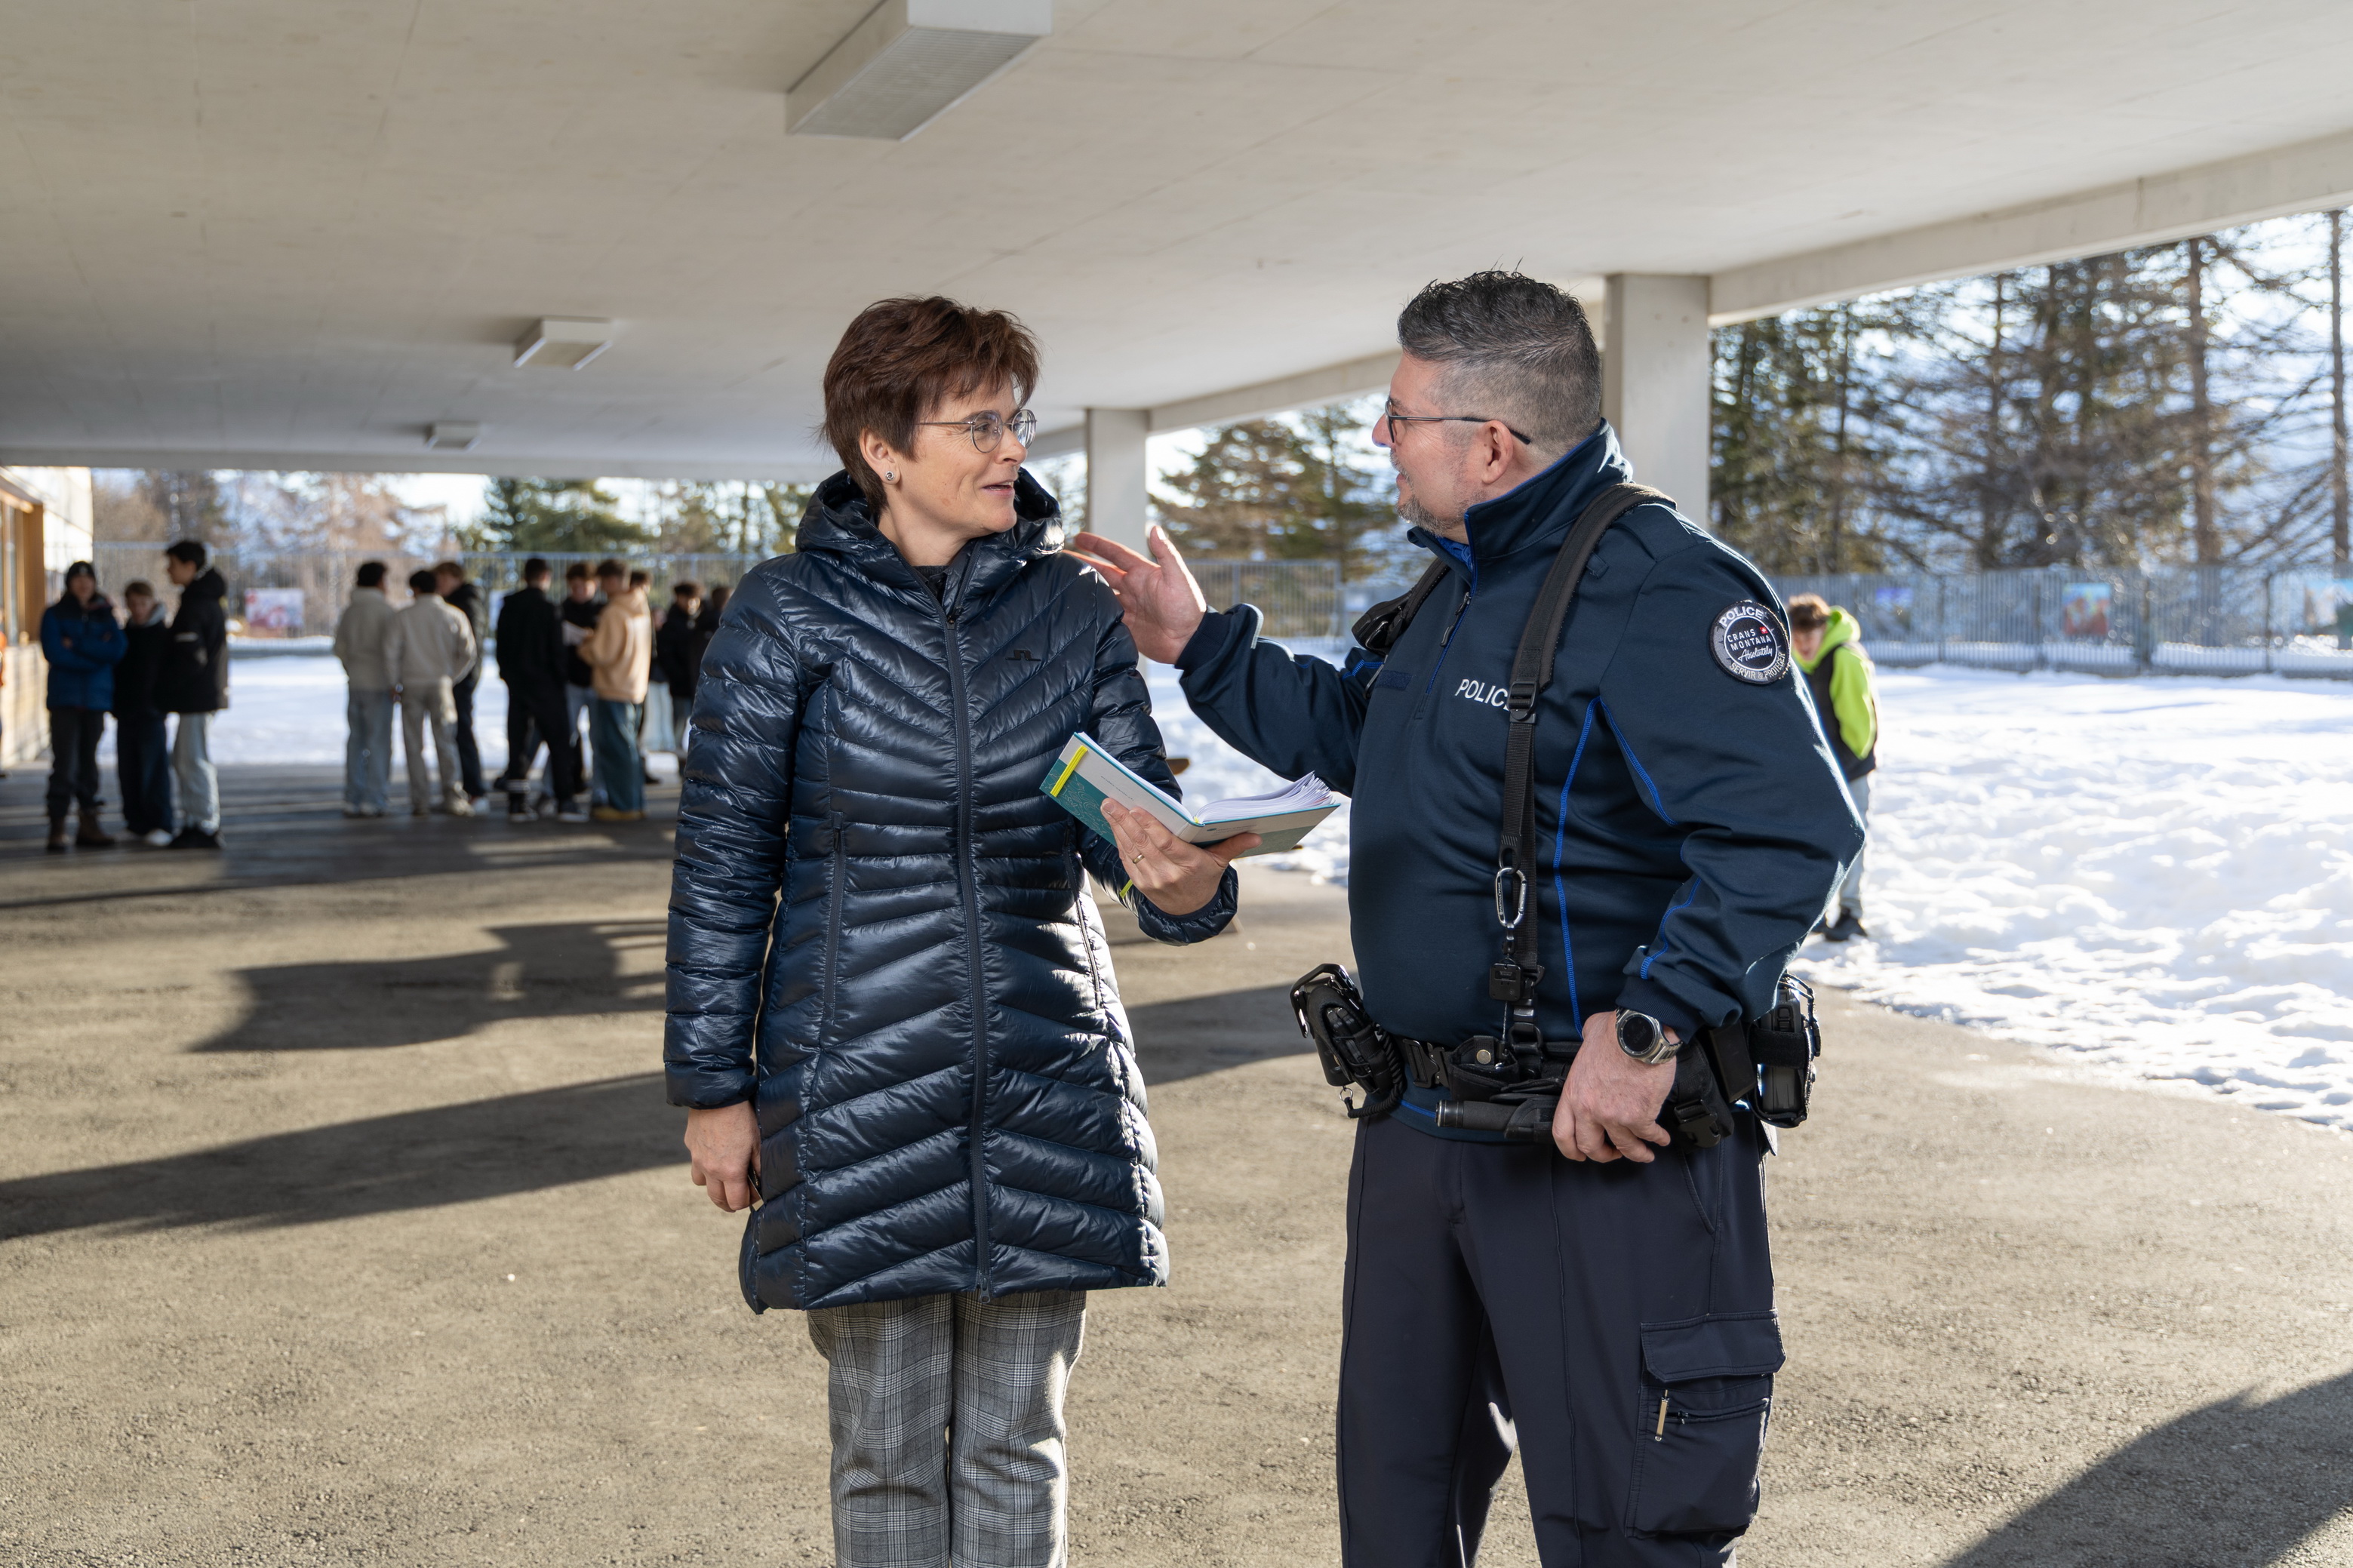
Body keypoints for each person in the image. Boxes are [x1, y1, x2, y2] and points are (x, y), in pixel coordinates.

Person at [1075, 271, 1862, 1568]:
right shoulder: (1457, 586)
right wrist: (1198, 644)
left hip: (1591, 1147)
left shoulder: (1660, 587)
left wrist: (1650, 1025)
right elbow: (1359, 733)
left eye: (1396, 416)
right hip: (1422, 1133)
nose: (1377, 439)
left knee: (1622, 1526)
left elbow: (1787, 832)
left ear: (1488, 444)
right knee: (1395, 1506)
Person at [664, 295, 1249, 1568]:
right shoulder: (785, 616)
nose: (1010, 451)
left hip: (1043, 1071)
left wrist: (1183, 882)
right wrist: (712, 1087)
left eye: (1015, 420)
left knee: (1013, 1442)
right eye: (978, 423)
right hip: (856, 1079)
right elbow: (720, 865)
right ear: (881, 445)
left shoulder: (1068, 613)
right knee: (881, 1450)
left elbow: (1126, 829)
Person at [1786, 593, 1879, 942]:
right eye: (1796, 637)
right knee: (1814, 841)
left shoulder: (1844, 658)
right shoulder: (1794, 662)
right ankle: (1819, 911)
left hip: (1848, 769)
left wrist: (1841, 767)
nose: (1803, 644)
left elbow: (1860, 726)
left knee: (1851, 841)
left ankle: (1851, 912)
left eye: (1809, 636)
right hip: (1817, 770)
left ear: (1824, 629)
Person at [38, 560, 126, 852]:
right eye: (77, 578)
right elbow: (54, 652)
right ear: (69, 583)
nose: (83, 584)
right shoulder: (54, 614)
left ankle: (89, 824)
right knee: (65, 763)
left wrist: (76, 645)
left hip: (96, 700)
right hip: (66, 700)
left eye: (88, 578)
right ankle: (58, 825)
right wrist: (95, 656)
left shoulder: (105, 614)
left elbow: (116, 650)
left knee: (88, 763)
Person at [493, 556, 585, 821]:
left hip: (518, 685)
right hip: (547, 686)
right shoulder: (549, 608)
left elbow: (502, 647)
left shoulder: (508, 606)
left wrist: (507, 675)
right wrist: (560, 678)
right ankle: (565, 801)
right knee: (558, 742)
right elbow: (557, 650)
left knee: (518, 743)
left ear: (525, 576)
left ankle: (517, 804)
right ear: (546, 577)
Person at [384, 567, 477, 818]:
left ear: (415, 589)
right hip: (441, 685)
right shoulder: (453, 614)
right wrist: (451, 677)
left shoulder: (403, 616)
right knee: (446, 741)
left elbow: (391, 653)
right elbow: (469, 652)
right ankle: (453, 797)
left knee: (414, 745)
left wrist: (394, 683)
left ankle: (420, 801)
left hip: (411, 685)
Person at [158, 540, 230, 850]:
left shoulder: (197, 604)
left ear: (189, 567)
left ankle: (203, 823)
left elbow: (190, 657)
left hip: (197, 695)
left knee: (193, 758)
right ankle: (195, 820)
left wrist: (165, 687)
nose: (168, 570)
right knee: (185, 757)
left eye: (172, 564)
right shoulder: (202, 599)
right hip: (199, 694)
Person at [578, 558, 651, 822]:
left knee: (616, 750)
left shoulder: (614, 611)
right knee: (629, 749)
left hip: (613, 688)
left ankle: (623, 806)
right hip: (635, 686)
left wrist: (586, 645)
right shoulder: (640, 606)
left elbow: (602, 654)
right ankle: (635, 802)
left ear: (610, 580)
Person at [331, 561, 398, 819]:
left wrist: (352, 669)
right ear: (381, 581)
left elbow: (340, 648)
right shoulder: (385, 612)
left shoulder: (350, 611)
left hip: (355, 684)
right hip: (380, 685)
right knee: (379, 744)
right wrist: (394, 682)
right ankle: (375, 799)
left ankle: (352, 797)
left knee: (355, 742)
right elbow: (392, 651)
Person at [112, 579, 177, 846]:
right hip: (126, 712)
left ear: (152, 603)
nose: (138, 609)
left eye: (143, 603)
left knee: (154, 769)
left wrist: (162, 703)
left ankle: (161, 822)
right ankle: (136, 823)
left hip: (152, 713)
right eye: (133, 604)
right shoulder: (125, 635)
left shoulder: (163, 636)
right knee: (128, 770)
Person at [433, 559, 491, 807]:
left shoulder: (466, 603)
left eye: (443, 579)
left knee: (461, 732)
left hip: (461, 678)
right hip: (457, 676)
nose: (440, 585)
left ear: (456, 578)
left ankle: (475, 789)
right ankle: (462, 790)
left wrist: (456, 676)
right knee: (456, 732)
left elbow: (470, 648)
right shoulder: (458, 602)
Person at [558, 561, 603, 797]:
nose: (579, 592)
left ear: (594, 585)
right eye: (575, 587)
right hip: (571, 682)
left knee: (598, 739)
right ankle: (568, 784)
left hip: (597, 682)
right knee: (568, 736)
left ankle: (599, 791)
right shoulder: (561, 610)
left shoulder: (603, 610)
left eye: (584, 586)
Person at [652, 579, 703, 756]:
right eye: (687, 599)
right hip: (681, 687)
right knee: (680, 728)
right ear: (678, 598)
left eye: (694, 599)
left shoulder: (701, 622)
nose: (691, 603)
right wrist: (678, 677)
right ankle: (682, 766)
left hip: (700, 685)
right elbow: (666, 656)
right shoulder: (670, 625)